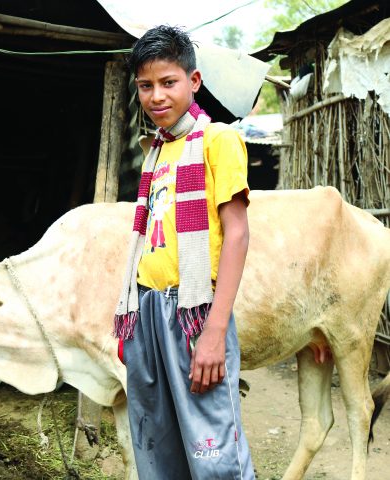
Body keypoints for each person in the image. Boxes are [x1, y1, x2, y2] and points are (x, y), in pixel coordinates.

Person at [113, 25, 255, 479]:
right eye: (145, 86)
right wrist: (133, 327)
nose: (156, 96)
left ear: (193, 81)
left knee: (214, 455)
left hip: (193, 314)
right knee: (158, 452)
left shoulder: (218, 141)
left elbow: (237, 235)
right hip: (147, 312)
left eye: (168, 82)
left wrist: (214, 332)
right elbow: (148, 242)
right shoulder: (155, 151)